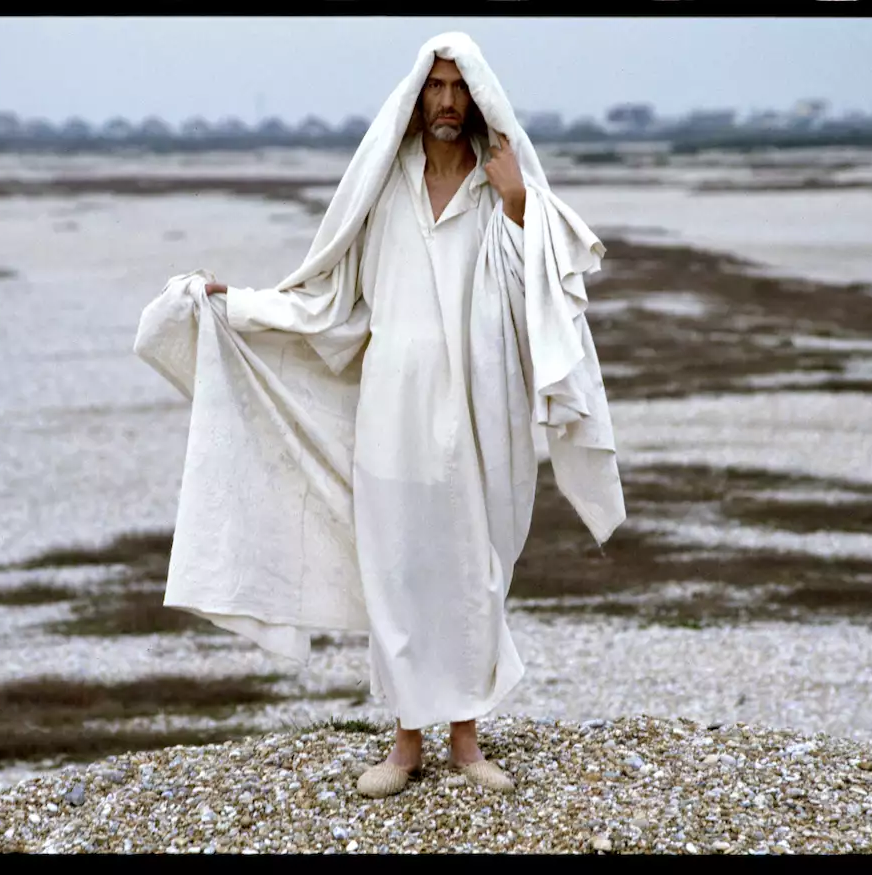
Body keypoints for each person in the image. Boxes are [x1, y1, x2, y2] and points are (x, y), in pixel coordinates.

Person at [134, 32, 624, 799]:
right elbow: (331, 306)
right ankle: (404, 744)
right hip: (391, 415)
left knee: (475, 571)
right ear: (416, 96)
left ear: (479, 99)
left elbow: (550, 307)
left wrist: (522, 203)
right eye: (435, 87)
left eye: (461, 88)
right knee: (398, 570)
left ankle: (467, 740)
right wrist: (237, 304)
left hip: (483, 417)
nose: (448, 103)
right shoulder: (383, 189)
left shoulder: (506, 190)